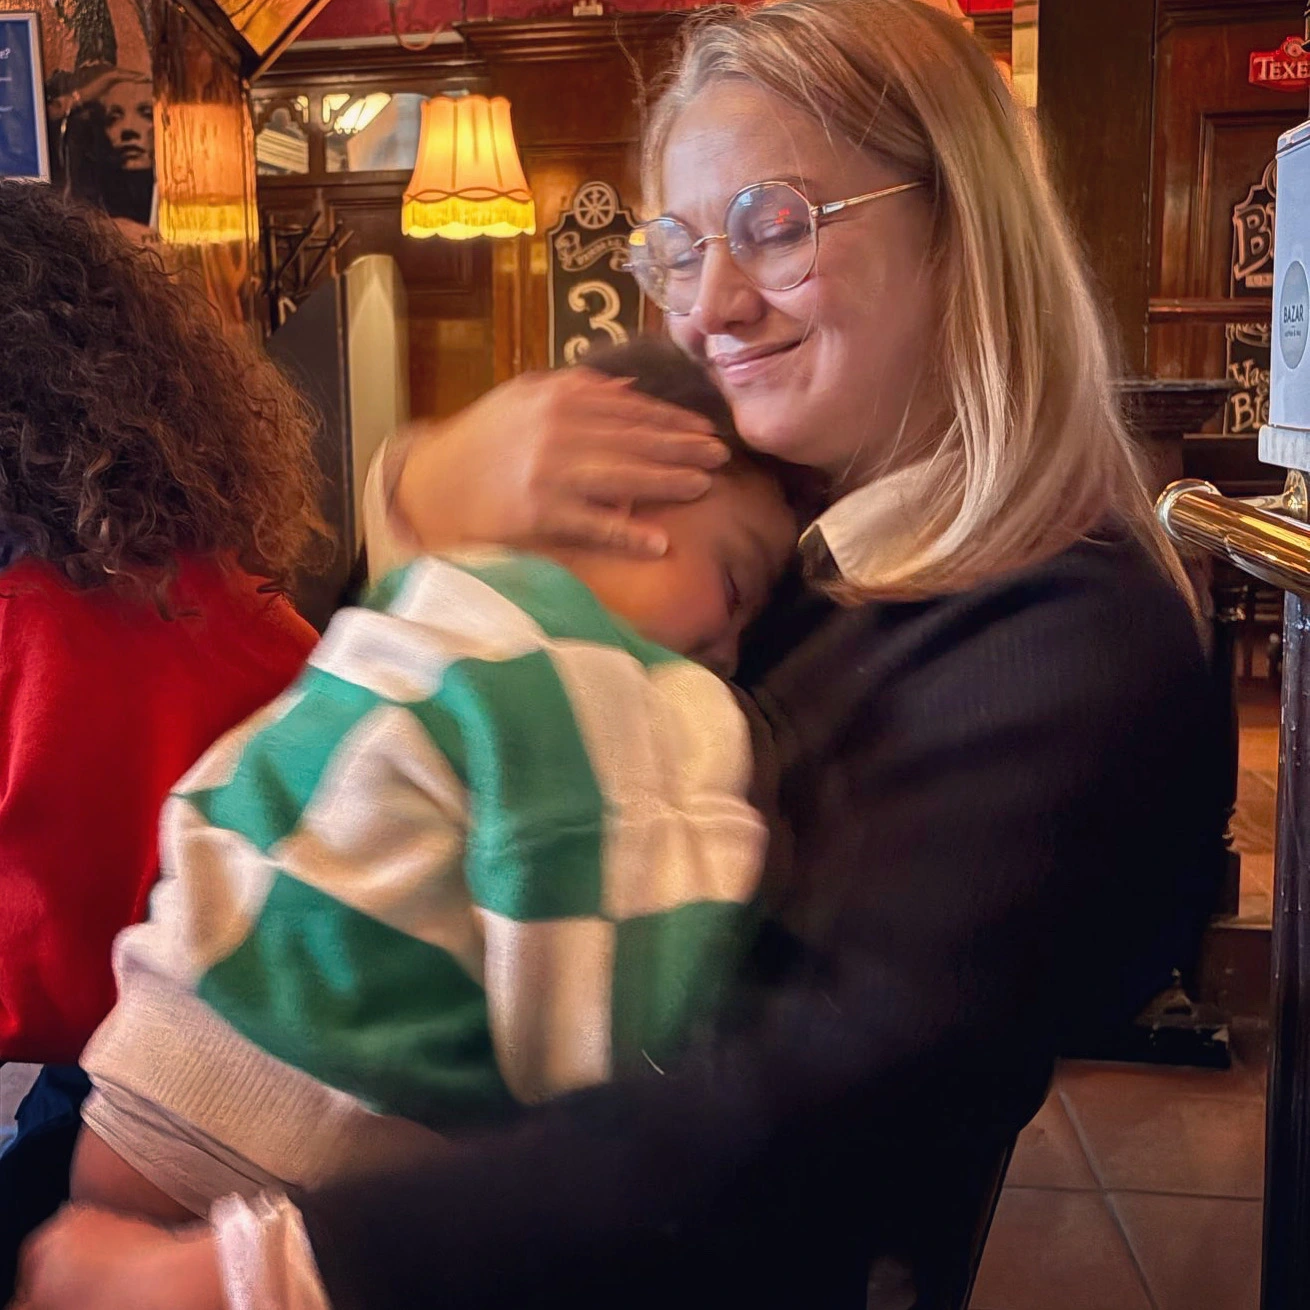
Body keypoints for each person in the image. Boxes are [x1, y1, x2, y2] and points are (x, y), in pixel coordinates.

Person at [9, 2, 1227, 1308]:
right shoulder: (760, 488)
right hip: (337, 1109)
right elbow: (388, 715)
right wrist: (423, 488)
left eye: (775, 223)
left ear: (960, 222)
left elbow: (811, 1110)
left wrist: (255, 1275)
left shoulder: (1065, 639)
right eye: (677, 246)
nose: (708, 305)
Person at [67, 341, 797, 1221]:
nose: (727, 652)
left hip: (151, 1055)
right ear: (617, 499)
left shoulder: (427, 597)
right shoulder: (584, 676)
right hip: (302, 1122)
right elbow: (604, 995)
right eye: (734, 585)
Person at [0, 180, 322, 1292]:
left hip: (151, 1114)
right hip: (283, 1108)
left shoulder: (27, 631)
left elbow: (42, 972)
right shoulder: (249, 609)